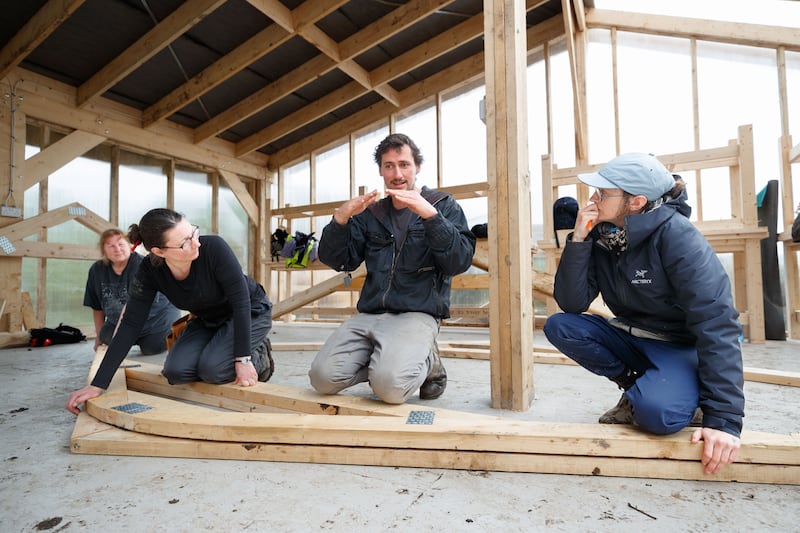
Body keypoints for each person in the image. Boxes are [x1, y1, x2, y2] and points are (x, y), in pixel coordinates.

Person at [542, 152, 745, 475]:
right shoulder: (602, 234)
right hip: (632, 336)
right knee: (561, 327)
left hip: (678, 345)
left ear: (635, 202)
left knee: (658, 416)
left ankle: (670, 396)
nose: (592, 199)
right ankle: (637, 389)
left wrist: (724, 421)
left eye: (603, 193)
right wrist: (578, 239)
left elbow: (717, 324)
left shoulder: (678, 238)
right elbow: (572, 303)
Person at [308, 133, 476, 403]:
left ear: (417, 167)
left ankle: (426, 360)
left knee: (391, 390)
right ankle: (387, 362)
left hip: (417, 313)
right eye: (389, 166)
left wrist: (431, 217)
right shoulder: (371, 213)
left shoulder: (442, 206)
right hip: (371, 312)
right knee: (322, 379)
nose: (397, 173)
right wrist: (340, 220)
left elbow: (458, 261)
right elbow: (341, 261)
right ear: (381, 170)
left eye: (404, 164)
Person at [67, 208, 273, 414]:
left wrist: (243, 359)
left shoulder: (214, 248)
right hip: (207, 320)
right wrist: (98, 384)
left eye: (194, 232)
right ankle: (222, 349)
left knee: (213, 370)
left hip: (250, 311)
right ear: (159, 251)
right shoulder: (149, 270)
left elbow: (241, 302)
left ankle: (259, 353)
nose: (196, 243)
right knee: (176, 372)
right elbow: (130, 324)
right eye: (185, 242)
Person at [84, 228, 180, 354]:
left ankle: (178, 334)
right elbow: (97, 307)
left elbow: (136, 308)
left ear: (130, 245)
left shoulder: (142, 265)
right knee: (106, 336)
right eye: (111, 246)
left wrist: (120, 338)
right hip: (120, 321)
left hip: (155, 319)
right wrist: (98, 338)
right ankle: (127, 337)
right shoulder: (96, 270)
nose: (117, 249)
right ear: (103, 250)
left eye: (120, 244)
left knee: (151, 348)